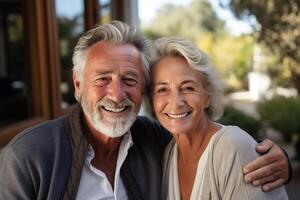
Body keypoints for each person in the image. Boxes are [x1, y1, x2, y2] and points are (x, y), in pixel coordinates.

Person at [0, 21, 290, 200]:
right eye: (102, 79)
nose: (116, 94)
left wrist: (277, 159)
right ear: (78, 85)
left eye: (130, 80)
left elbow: (219, 148)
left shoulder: (153, 141)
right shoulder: (28, 157)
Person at [149, 36, 289, 200]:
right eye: (162, 90)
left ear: (207, 96)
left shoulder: (231, 147)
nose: (176, 102)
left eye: (188, 88)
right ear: (151, 101)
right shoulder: (169, 154)